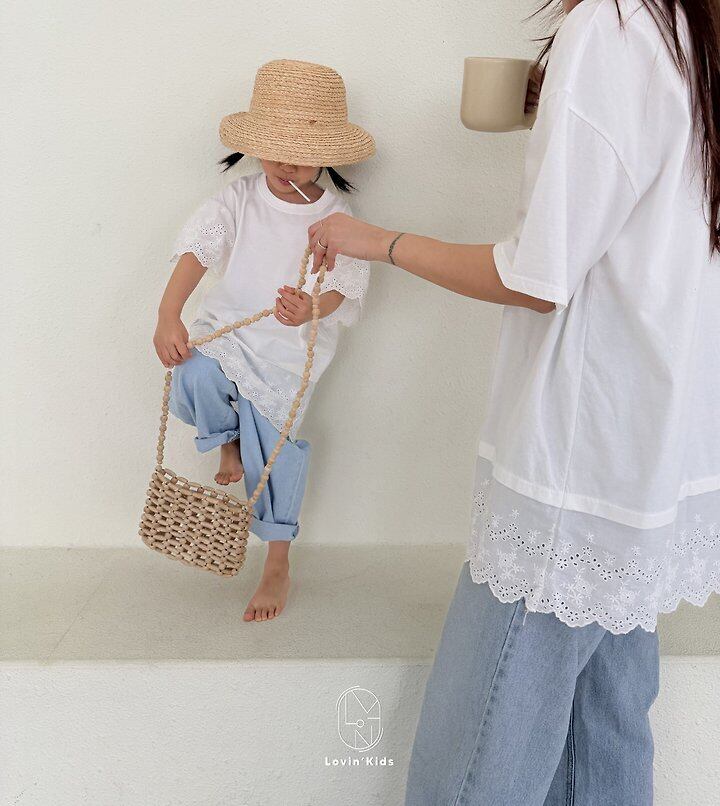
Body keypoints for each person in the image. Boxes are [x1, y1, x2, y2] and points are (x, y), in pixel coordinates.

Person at [306, 0, 720, 802]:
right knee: (605, 741)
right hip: (648, 455)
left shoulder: (613, 27)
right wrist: (556, 102)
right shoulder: (690, 29)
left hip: (577, 460)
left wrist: (381, 241)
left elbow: (537, 276)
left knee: (470, 772)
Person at [153, 59, 375, 623]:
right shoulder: (240, 198)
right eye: (273, 148)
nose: (284, 163)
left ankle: (277, 560)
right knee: (193, 371)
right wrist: (168, 315)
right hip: (229, 333)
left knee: (272, 453)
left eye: (299, 151)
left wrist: (311, 310)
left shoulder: (335, 214)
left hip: (288, 353)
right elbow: (198, 250)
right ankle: (225, 437)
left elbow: (345, 286)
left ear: (326, 154)